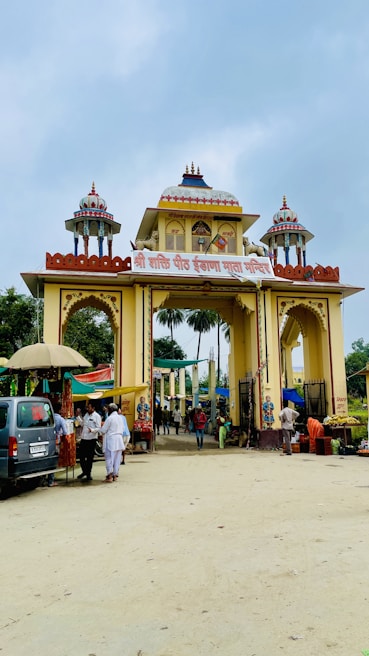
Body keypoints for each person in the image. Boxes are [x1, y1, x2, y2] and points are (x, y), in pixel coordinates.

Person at [101, 403, 127, 482]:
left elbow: (103, 430)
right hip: (119, 440)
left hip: (111, 440)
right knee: (117, 459)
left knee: (109, 458)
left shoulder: (110, 418)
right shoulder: (120, 418)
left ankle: (110, 475)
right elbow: (123, 429)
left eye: (108, 409)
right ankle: (115, 475)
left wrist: (98, 429)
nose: (107, 411)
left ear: (110, 410)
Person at [76, 401, 101, 480]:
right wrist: (78, 417)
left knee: (89, 457)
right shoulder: (86, 415)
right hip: (84, 438)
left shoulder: (97, 416)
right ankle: (84, 471)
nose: (88, 409)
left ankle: (88, 474)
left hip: (91, 439)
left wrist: (92, 430)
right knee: (81, 456)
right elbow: (83, 424)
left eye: (89, 407)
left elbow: (99, 428)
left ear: (93, 408)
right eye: (87, 407)